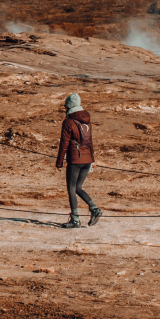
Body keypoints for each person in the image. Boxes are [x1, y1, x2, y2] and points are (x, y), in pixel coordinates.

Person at [56, 92, 102, 228]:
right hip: (87, 159)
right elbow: (90, 141)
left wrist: (59, 162)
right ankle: (94, 209)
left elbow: (64, 143)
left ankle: (75, 219)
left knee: (71, 188)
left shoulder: (68, 122)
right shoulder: (87, 121)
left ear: (69, 106)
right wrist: (92, 160)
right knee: (78, 187)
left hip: (75, 160)